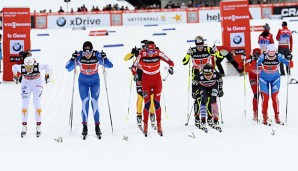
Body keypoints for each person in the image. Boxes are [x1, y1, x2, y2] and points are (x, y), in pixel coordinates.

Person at [65, 41, 113, 139]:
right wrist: (72, 59)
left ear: (92, 51)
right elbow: (68, 68)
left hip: (95, 82)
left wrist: (105, 58)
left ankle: (97, 126)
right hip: (83, 82)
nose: (87, 55)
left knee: (94, 102)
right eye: (85, 53)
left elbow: (110, 65)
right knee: (85, 103)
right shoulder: (79, 55)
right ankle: (85, 126)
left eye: (89, 53)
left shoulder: (97, 55)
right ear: (83, 52)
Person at [131, 41, 174, 136]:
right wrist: (135, 75)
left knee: (157, 103)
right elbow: (133, 67)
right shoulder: (142, 54)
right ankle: (145, 124)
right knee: (147, 103)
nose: (150, 53)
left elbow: (170, 61)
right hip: (145, 81)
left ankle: (159, 124)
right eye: (149, 51)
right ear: (146, 49)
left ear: (155, 49)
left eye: (152, 51)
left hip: (157, 80)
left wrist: (171, 67)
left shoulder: (158, 53)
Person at [182, 35, 217, 127]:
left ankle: (209, 118)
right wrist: (187, 54)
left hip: (207, 76)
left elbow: (219, 56)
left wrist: (215, 51)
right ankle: (197, 119)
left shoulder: (208, 49)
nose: (200, 48)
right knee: (197, 98)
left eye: (201, 45)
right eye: (198, 46)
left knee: (209, 98)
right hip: (196, 76)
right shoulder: (193, 51)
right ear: (195, 45)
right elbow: (184, 62)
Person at [12, 56, 50, 138]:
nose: (28, 69)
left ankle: (38, 125)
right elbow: (14, 67)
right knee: (24, 105)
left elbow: (47, 66)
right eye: (27, 67)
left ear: (34, 65)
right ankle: (24, 126)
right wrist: (15, 75)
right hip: (26, 84)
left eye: (30, 67)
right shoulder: (21, 67)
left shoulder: (38, 66)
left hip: (37, 83)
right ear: (24, 65)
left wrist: (47, 74)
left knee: (37, 104)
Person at [256, 44, 293, 125]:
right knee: (266, 97)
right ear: (267, 52)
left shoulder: (279, 56)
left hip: (275, 79)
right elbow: (255, 66)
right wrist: (258, 65)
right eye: (270, 53)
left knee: (274, 97)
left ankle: (277, 116)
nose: (272, 55)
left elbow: (290, 65)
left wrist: (290, 59)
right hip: (263, 79)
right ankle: (265, 116)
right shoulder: (262, 57)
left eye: (273, 53)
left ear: (275, 52)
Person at [124, 40, 156, 129]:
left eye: (145, 47)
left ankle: (152, 115)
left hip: (150, 77)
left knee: (152, 98)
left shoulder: (151, 52)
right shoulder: (138, 52)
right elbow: (125, 59)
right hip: (139, 78)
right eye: (143, 47)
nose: (144, 49)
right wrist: (131, 53)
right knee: (140, 98)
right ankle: (139, 116)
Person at [192, 63, 223, 132]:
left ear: (212, 72)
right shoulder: (199, 75)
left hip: (213, 86)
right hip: (202, 86)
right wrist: (193, 92)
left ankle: (215, 119)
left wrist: (220, 89)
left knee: (213, 99)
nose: (208, 76)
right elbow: (194, 82)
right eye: (206, 74)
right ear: (203, 73)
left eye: (210, 74)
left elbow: (220, 80)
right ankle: (203, 120)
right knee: (203, 99)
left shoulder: (216, 74)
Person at [242, 48, 262, 121]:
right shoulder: (250, 59)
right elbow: (240, 67)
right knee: (256, 94)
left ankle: (264, 112)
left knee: (263, 94)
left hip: (261, 76)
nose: (256, 56)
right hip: (252, 77)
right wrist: (243, 59)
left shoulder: (262, 58)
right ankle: (255, 112)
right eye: (255, 54)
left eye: (258, 55)